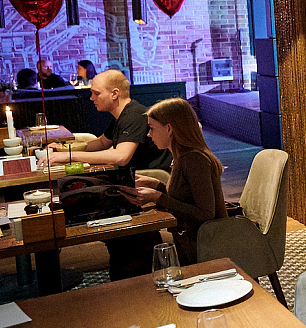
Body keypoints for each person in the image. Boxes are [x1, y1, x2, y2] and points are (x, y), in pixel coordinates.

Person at [121, 98, 223, 265]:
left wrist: (158, 197)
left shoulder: (195, 160)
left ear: (169, 129)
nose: (148, 134)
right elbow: (185, 198)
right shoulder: (181, 157)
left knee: (137, 247)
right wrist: (157, 185)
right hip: (191, 240)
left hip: (205, 248)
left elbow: (205, 213)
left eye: (152, 128)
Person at [40, 70, 170, 172]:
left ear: (114, 94)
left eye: (96, 93)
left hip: (149, 177)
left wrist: (70, 156)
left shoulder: (134, 115)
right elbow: (102, 142)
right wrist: (64, 149)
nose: (91, 98)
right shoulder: (122, 114)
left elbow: (121, 157)